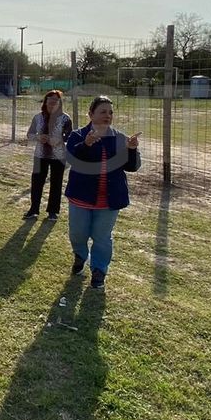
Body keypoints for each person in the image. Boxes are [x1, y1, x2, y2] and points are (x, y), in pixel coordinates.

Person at [65, 95, 142, 291]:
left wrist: (132, 150)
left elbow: (132, 167)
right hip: (80, 197)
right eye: (103, 112)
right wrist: (87, 144)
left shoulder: (120, 138)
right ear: (91, 114)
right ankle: (80, 255)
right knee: (78, 234)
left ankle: (99, 271)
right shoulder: (77, 135)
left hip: (108, 200)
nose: (108, 115)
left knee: (102, 237)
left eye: (110, 112)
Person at [24, 89, 73, 220]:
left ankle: (53, 211)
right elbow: (29, 134)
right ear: (45, 102)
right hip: (40, 155)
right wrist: (38, 137)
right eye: (49, 100)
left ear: (60, 103)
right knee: (36, 182)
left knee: (56, 183)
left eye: (56, 101)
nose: (52, 103)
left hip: (59, 155)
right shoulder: (38, 118)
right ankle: (33, 210)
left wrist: (60, 140)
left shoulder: (66, 119)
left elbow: (70, 138)